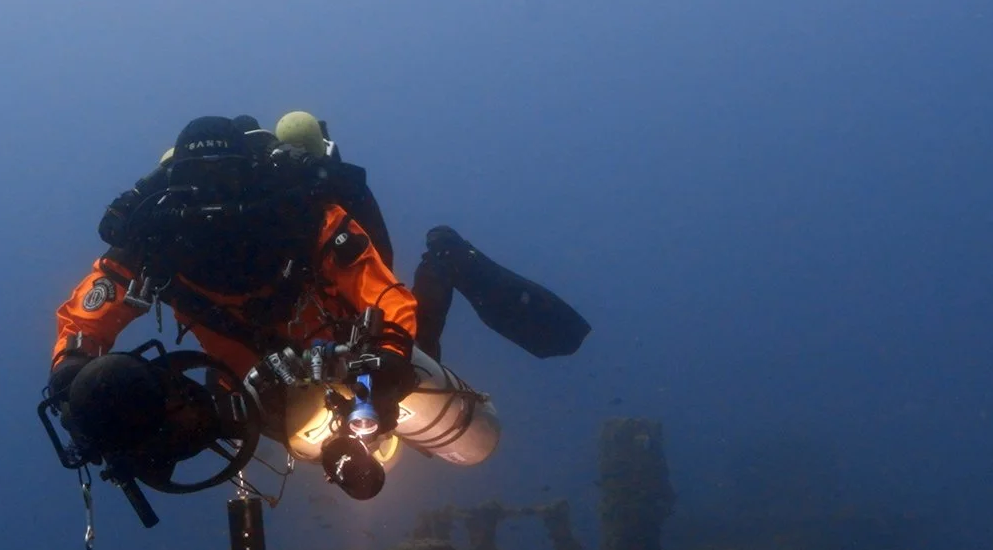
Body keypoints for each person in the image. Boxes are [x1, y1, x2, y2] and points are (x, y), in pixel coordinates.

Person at [44, 112, 587, 507]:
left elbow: (384, 297)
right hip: (257, 379)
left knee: (430, 372)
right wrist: (74, 376)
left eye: (225, 183)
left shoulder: (300, 216)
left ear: (251, 177)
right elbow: (85, 318)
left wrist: (389, 358)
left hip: (350, 345)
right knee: (241, 419)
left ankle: (445, 261)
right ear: (172, 194)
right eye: (198, 189)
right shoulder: (153, 244)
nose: (213, 208)